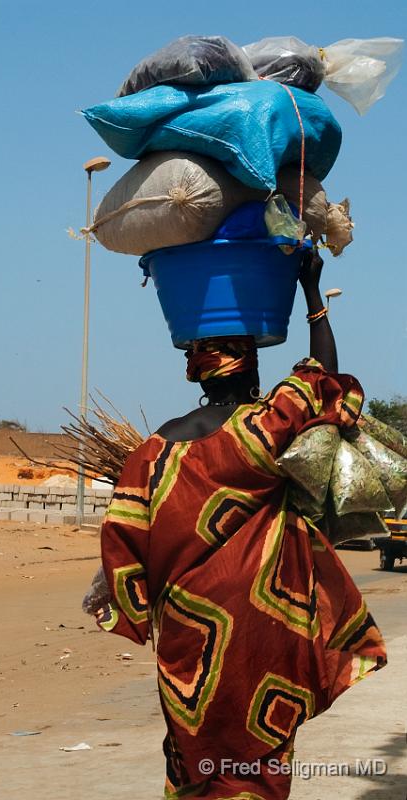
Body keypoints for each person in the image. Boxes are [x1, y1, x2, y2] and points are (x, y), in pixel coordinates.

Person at [94, 250, 387, 800]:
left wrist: (128, 604)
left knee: (194, 744)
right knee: (261, 741)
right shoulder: (262, 428)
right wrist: (313, 294)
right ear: (252, 366)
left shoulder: (152, 453)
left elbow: (124, 540)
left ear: (195, 369)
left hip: (189, 628)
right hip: (259, 623)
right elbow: (321, 377)